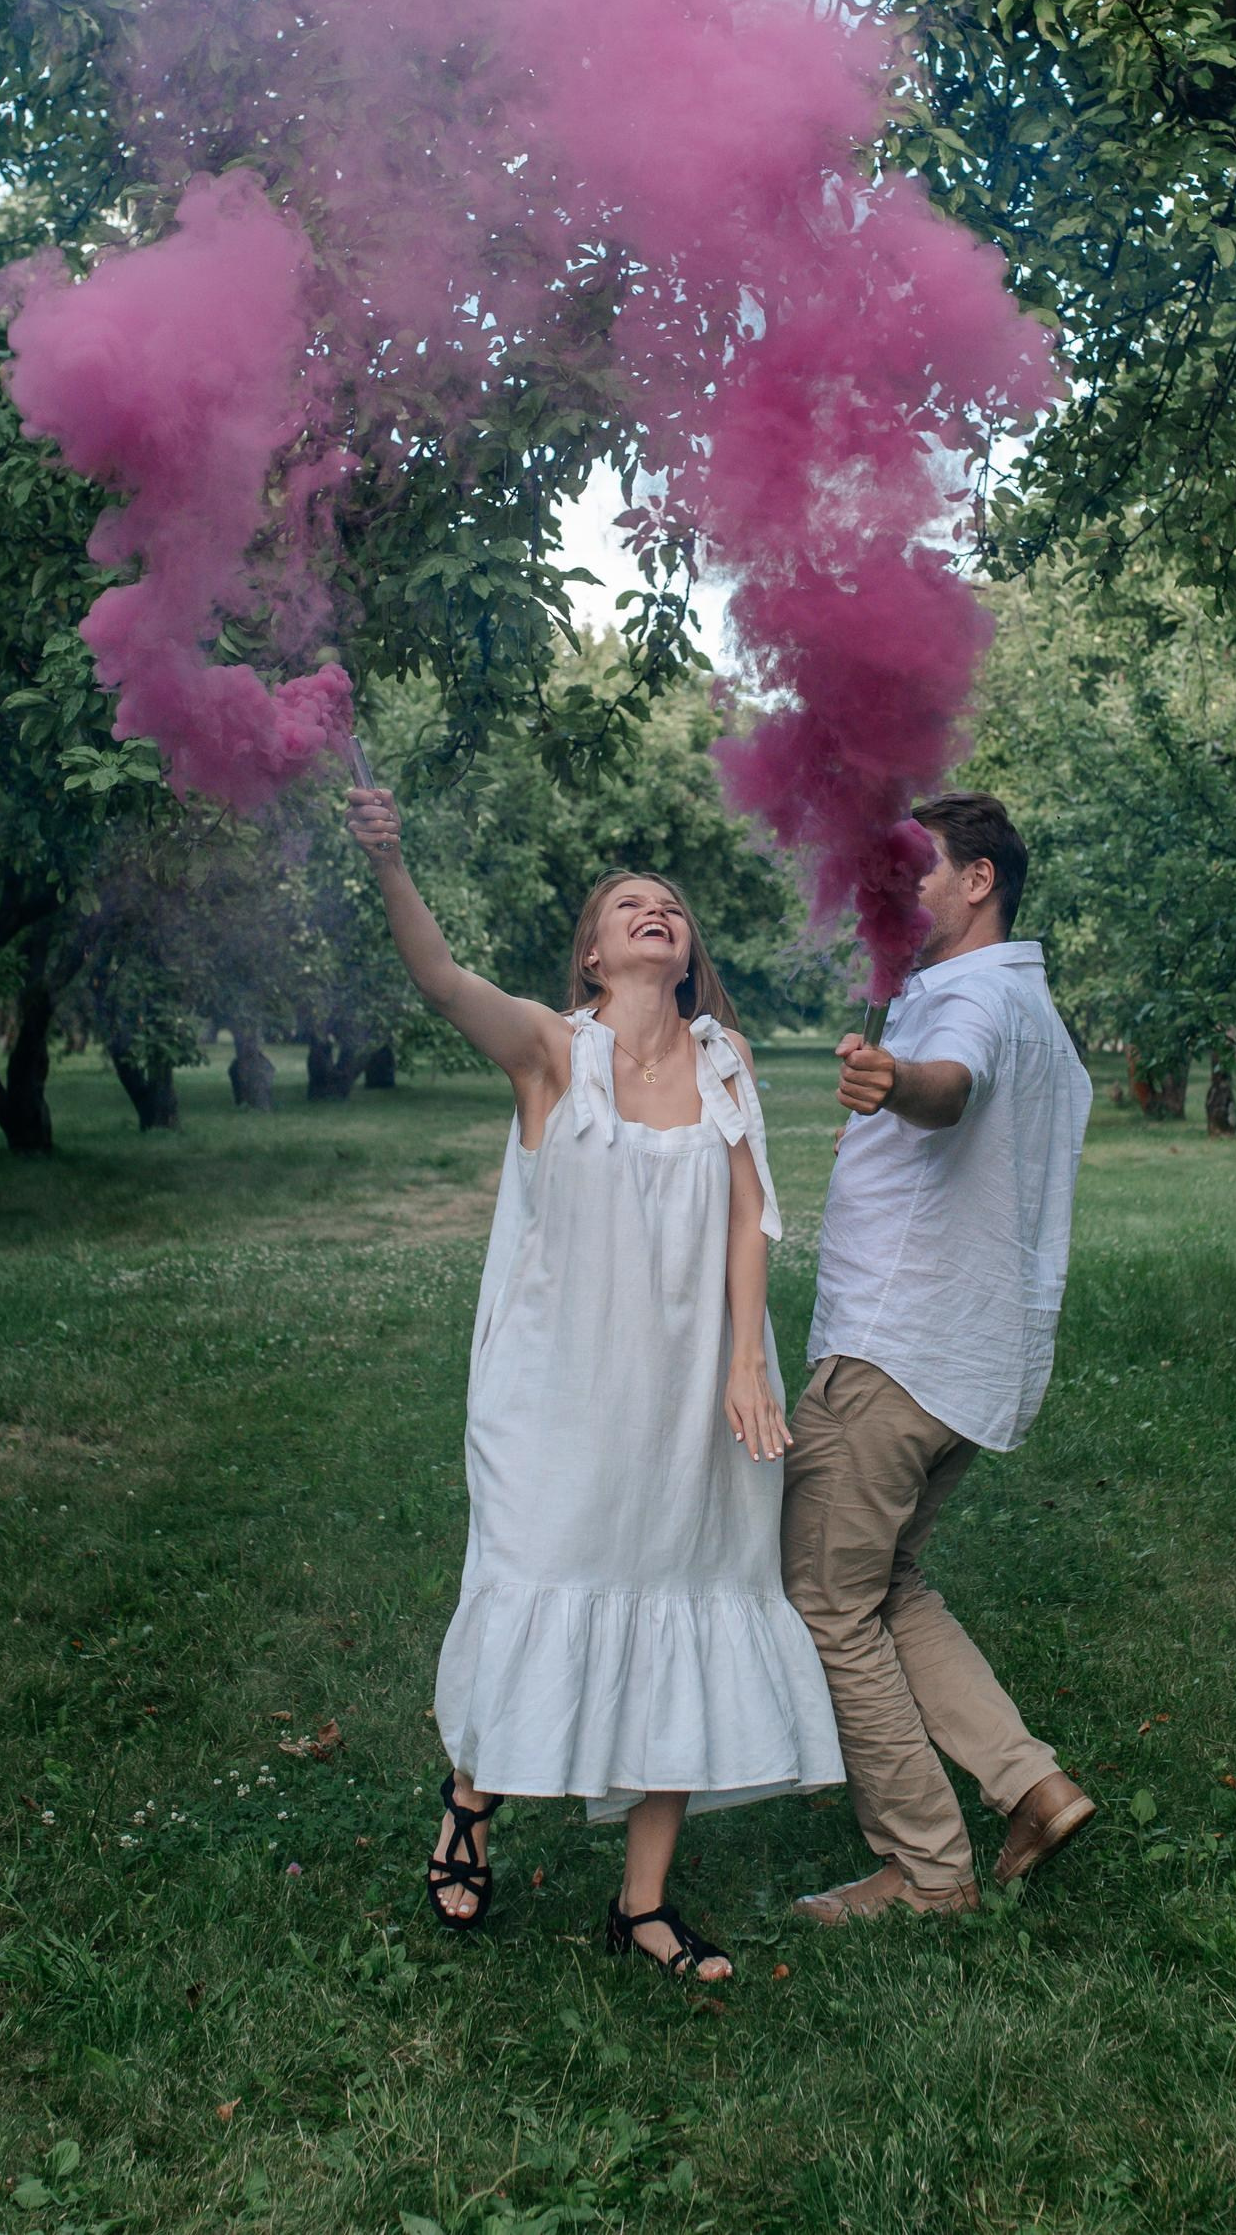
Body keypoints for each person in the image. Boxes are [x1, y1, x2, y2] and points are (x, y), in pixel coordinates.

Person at [347, 785, 841, 1982]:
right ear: (594, 951)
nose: (654, 911)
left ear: (686, 954)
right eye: (629, 905)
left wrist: (742, 1360)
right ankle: (473, 1799)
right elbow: (441, 982)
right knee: (541, 1579)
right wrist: (390, 864)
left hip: (696, 1393)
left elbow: (744, 1224)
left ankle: (643, 1905)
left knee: (684, 1593)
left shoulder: (726, 1065)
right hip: (560, 1389)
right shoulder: (548, 1054)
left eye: (668, 905)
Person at [781, 790, 1096, 1921]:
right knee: (887, 1583)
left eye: (920, 866)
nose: (897, 887)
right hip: (968, 1363)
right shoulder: (1034, 1009)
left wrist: (895, 1085)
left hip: (890, 1353)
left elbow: (947, 1088)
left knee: (825, 1598)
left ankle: (924, 1870)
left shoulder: (967, 998)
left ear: (977, 882)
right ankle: (1032, 1784)